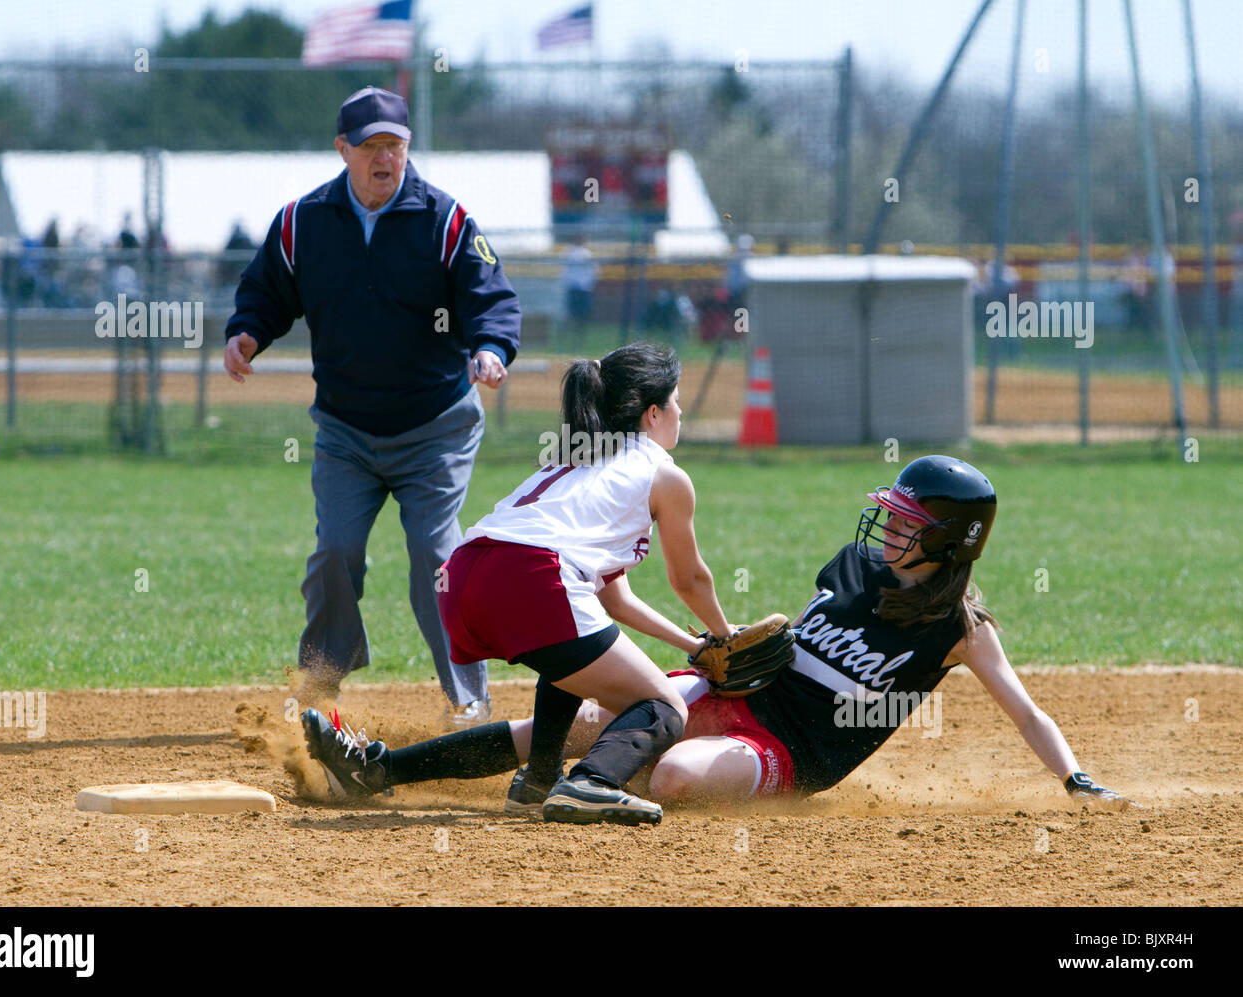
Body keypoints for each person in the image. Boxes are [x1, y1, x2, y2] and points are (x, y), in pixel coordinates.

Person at [302, 455, 1131, 815]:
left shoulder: (958, 627)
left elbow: (1025, 711)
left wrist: (1076, 777)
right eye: (892, 513)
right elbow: (794, 639)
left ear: (951, 542)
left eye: (908, 522)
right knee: (594, 723)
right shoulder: (851, 565)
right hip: (735, 695)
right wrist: (727, 650)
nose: (885, 528)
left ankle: (584, 790)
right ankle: (379, 770)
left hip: (793, 754)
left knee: (675, 779)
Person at [302, 342, 737, 825]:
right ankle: (592, 784)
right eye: (675, 400)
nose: (680, 411)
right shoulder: (663, 473)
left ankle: (393, 771)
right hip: (532, 579)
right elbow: (691, 578)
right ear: (652, 413)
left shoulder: (579, 458)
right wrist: (723, 635)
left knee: (570, 662)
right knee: (662, 706)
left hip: (467, 574)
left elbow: (613, 599)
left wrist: (693, 645)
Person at [223, 86, 521, 728]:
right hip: (346, 430)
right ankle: (319, 694)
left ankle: (469, 703)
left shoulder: (444, 219)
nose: (386, 158)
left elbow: (488, 296)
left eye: (396, 145)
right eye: (371, 147)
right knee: (335, 553)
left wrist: (493, 346)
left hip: (435, 427)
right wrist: (248, 331)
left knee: (436, 558)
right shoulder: (304, 222)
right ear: (343, 150)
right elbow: (267, 290)